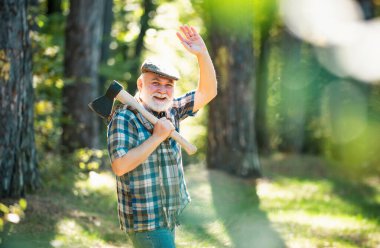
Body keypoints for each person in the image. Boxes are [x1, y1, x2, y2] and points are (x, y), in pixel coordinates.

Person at [107, 25, 217, 248]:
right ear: (140, 84)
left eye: (168, 85)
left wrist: (202, 53)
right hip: (145, 220)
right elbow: (119, 166)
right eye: (155, 82)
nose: (162, 90)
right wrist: (156, 137)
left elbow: (208, 92)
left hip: (168, 214)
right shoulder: (124, 118)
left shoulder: (172, 110)